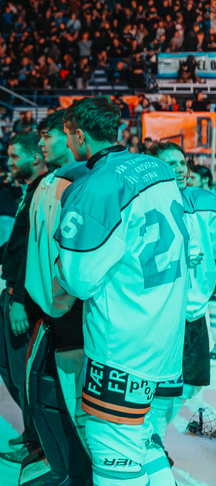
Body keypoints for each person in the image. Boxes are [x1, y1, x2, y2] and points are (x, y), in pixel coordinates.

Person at [56, 97, 188, 486]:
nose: (68, 143)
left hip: (124, 345)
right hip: (165, 333)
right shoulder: (157, 167)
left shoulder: (97, 187)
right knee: (144, 440)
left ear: (80, 135)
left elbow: (79, 281)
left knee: (113, 452)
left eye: (68, 135)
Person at [19, 109, 91, 485]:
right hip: (51, 310)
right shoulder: (52, 180)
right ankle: (63, 465)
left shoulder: (78, 182)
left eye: (49, 135)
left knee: (73, 402)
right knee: (45, 393)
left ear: (71, 135)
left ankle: (74, 471)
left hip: (70, 313)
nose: (42, 142)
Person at [144, 143, 215, 474]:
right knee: (161, 390)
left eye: (180, 162)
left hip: (195, 312)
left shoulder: (204, 202)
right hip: (163, 315)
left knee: (192, 384)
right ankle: (151, 442)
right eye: (168, 163)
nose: (178, 168)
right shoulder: (147, 204)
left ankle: (153, 438)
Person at [0, 133, 49, 466]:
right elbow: (19, 241)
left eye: (14, 157)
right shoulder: (31, 190)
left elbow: (33, 252)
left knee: (24, 374)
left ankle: (36, 440)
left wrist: (19, 299)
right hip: (11, 292)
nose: (9, 163)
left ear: (35, 157)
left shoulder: (44, 191)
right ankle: (32, 429)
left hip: (20, 298)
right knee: (2, 357)